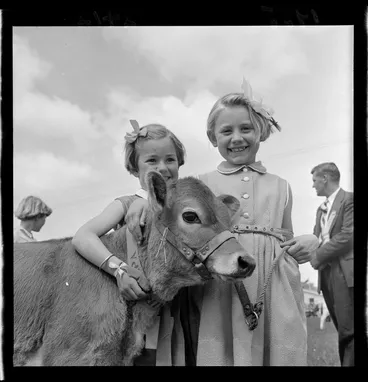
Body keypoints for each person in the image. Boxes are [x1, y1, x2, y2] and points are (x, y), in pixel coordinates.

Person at [124, 79, 319, 366]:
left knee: (276, 349)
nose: (237, 137)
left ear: (261, 132)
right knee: (220, 349)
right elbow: (163, 202)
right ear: (213, 137)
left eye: (246, 128)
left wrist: (310, 241)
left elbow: (285, 237)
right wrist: (140, 201)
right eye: (226, 130)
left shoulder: (282, 186)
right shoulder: (199, 183)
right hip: (217, 285)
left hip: (272, 285)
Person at [71, 120, 186, 365]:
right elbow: (83, 236)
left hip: (172, 313)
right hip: (129, 312)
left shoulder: (185, 210)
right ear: (134, 169)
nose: (163, 168)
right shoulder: (126, 203)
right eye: (152, 161)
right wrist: (118, 270)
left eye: (170, 159)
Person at [309, 162, 354, 366]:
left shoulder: (350, 200)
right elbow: (314, 239)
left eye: (314, 181)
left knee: (349, 330)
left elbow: (348, 235)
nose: (313, 185)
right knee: (341, 329)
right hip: (326, 275)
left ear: (324, 178)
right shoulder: (321, 209)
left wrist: (318, 256)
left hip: (344, 272)